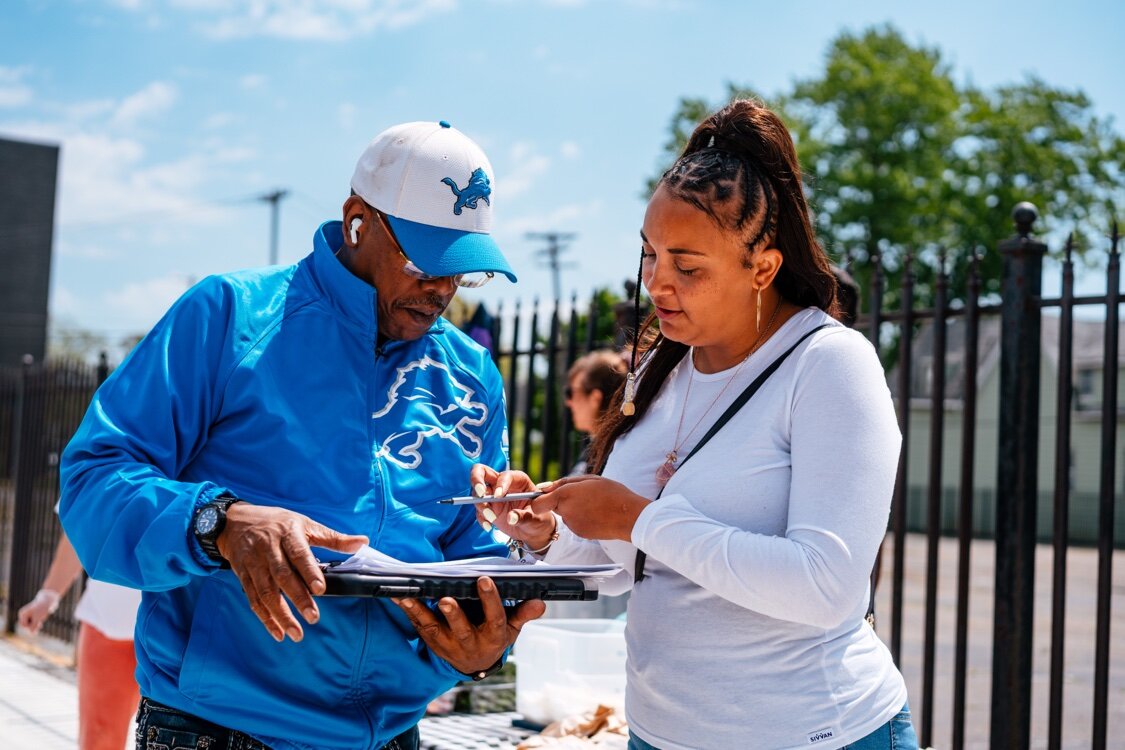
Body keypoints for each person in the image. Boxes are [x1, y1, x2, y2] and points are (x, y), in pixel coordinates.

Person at [59, 119, 545, 750]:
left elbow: (471, 549)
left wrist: (483, 642)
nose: (443, 289)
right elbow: (93, 480)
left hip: (396, 735)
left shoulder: (471, 375)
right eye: (426, 260)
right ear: (357, 222)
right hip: (219, 731)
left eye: (464, 270)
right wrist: (220, 522)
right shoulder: (228, 316)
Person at [471, 99, 916, 749]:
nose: (656, 283)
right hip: (658, 734)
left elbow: (826, 585)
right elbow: (628, 565)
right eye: (649, 256)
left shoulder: (828, 364)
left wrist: (636, 518)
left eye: (688, 266)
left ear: (762, 266)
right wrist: (550, 535)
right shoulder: (661, 367)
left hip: (817, 735)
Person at [18, 529, 141, 750]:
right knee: (101, 736)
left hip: (183, 628)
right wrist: (48, 596)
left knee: (182, 735)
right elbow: (78, 527)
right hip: (109, 620)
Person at [563, 349, 628, 475]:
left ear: (595, 398)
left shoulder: (612, 455)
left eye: (570, 393)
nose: (568, 402)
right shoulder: (601, 448)